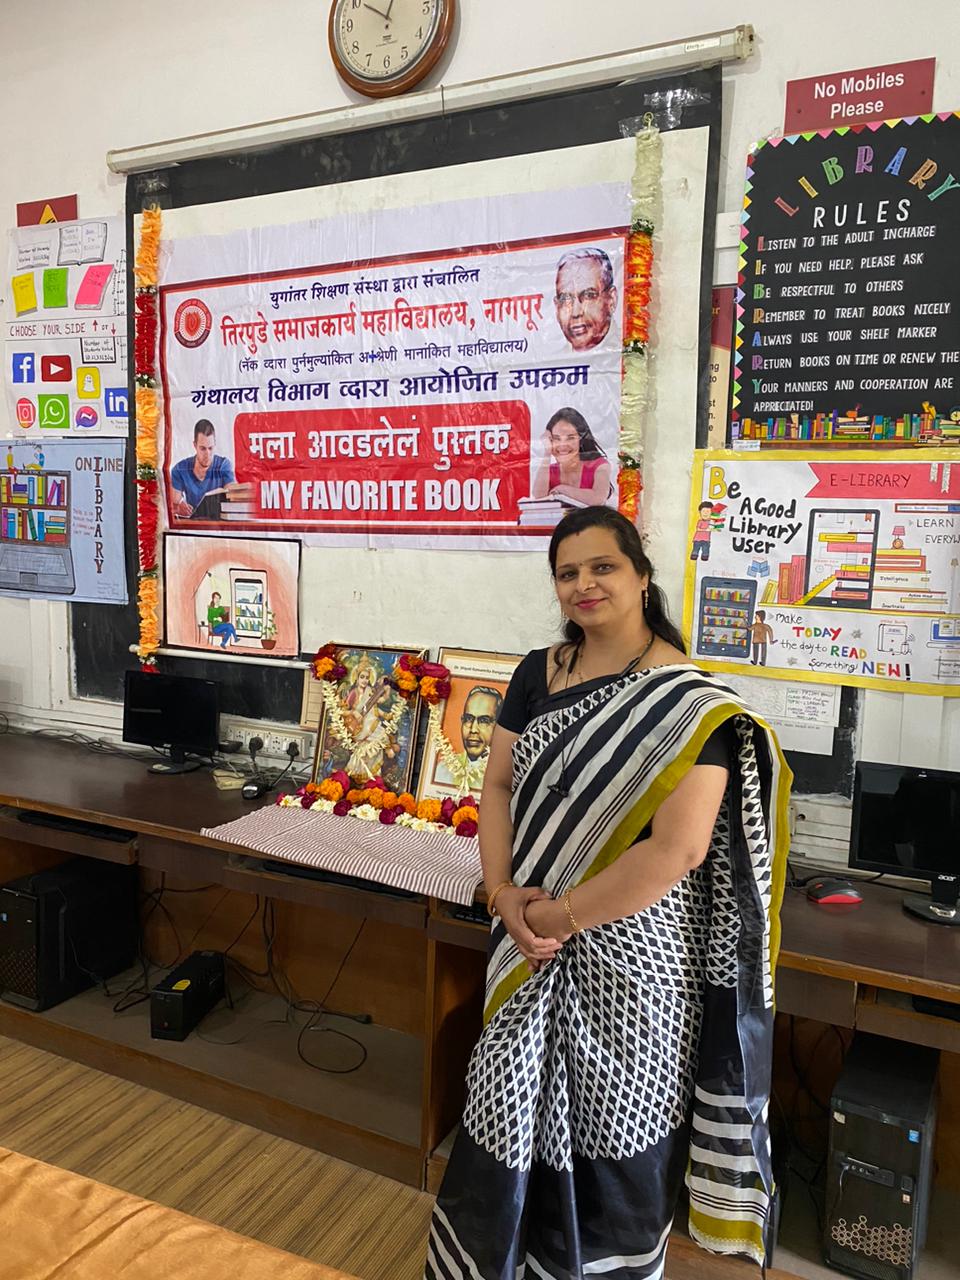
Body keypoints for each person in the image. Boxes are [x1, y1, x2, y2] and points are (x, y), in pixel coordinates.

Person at [425, 506, 790, 1280]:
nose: (584, 584)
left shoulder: (690, 706)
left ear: (642, 577)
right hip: (526, 941)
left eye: (603, 567)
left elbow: (680, 849)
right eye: (567, 573)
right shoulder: (538, 673)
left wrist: (555, 915)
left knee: (614, 1138)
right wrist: (502, 894)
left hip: (634, 966)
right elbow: (497, 786)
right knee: (501, 1110)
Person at [531, 408, 612, 507]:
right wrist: (547, 452)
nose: (563, 445)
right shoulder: (549, 471)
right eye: (556, 438)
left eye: (570, 438)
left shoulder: (599, 466)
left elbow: (598, 499)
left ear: (581, 439)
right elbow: (538, 498)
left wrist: (562, 489)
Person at [435, 686, 503, 793]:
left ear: (498, 726)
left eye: (484, 721)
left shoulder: (504, 775)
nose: (473, 729)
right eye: (468, 719)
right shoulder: (443, 770)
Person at [554, 247, 618, 351]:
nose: (575, 313)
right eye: (565, 299)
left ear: (612, 300)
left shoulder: (629, 350)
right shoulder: (554, 358)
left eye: (589, 295)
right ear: (556, 308)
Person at [171, 420, 237, 518]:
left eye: (210, 448)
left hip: (220, 523)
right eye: (202, 448)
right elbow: (173, 504)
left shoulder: (223, 465)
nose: (207, 454)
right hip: (194, 523)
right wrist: (178, 509)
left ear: (215, 444)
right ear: (195, 445)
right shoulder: (180, 469)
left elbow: (233, 498)